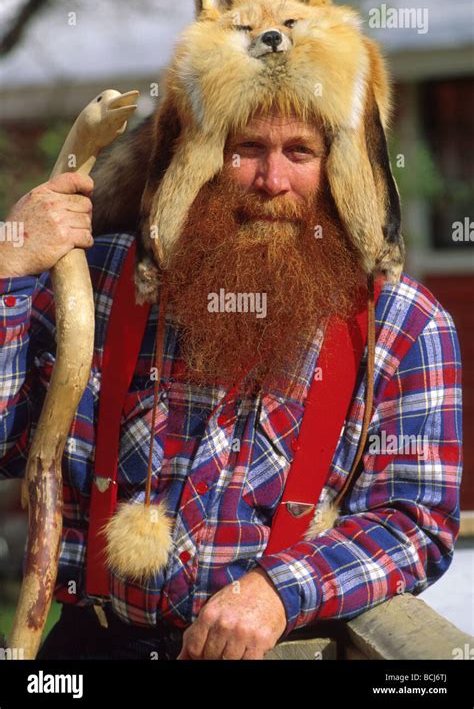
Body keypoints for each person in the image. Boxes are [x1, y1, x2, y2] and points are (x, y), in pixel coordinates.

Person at [0, 108, 462, 660]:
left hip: (284, 654)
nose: (272, 181)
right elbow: (7, 444)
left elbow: (414, 522)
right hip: (94, 646)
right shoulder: (101, 280)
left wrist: (277, 592)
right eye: (246, 148)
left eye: (300, 152)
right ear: (202, 158)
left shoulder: (403, 324)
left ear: (341, 168)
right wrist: (8, 267)